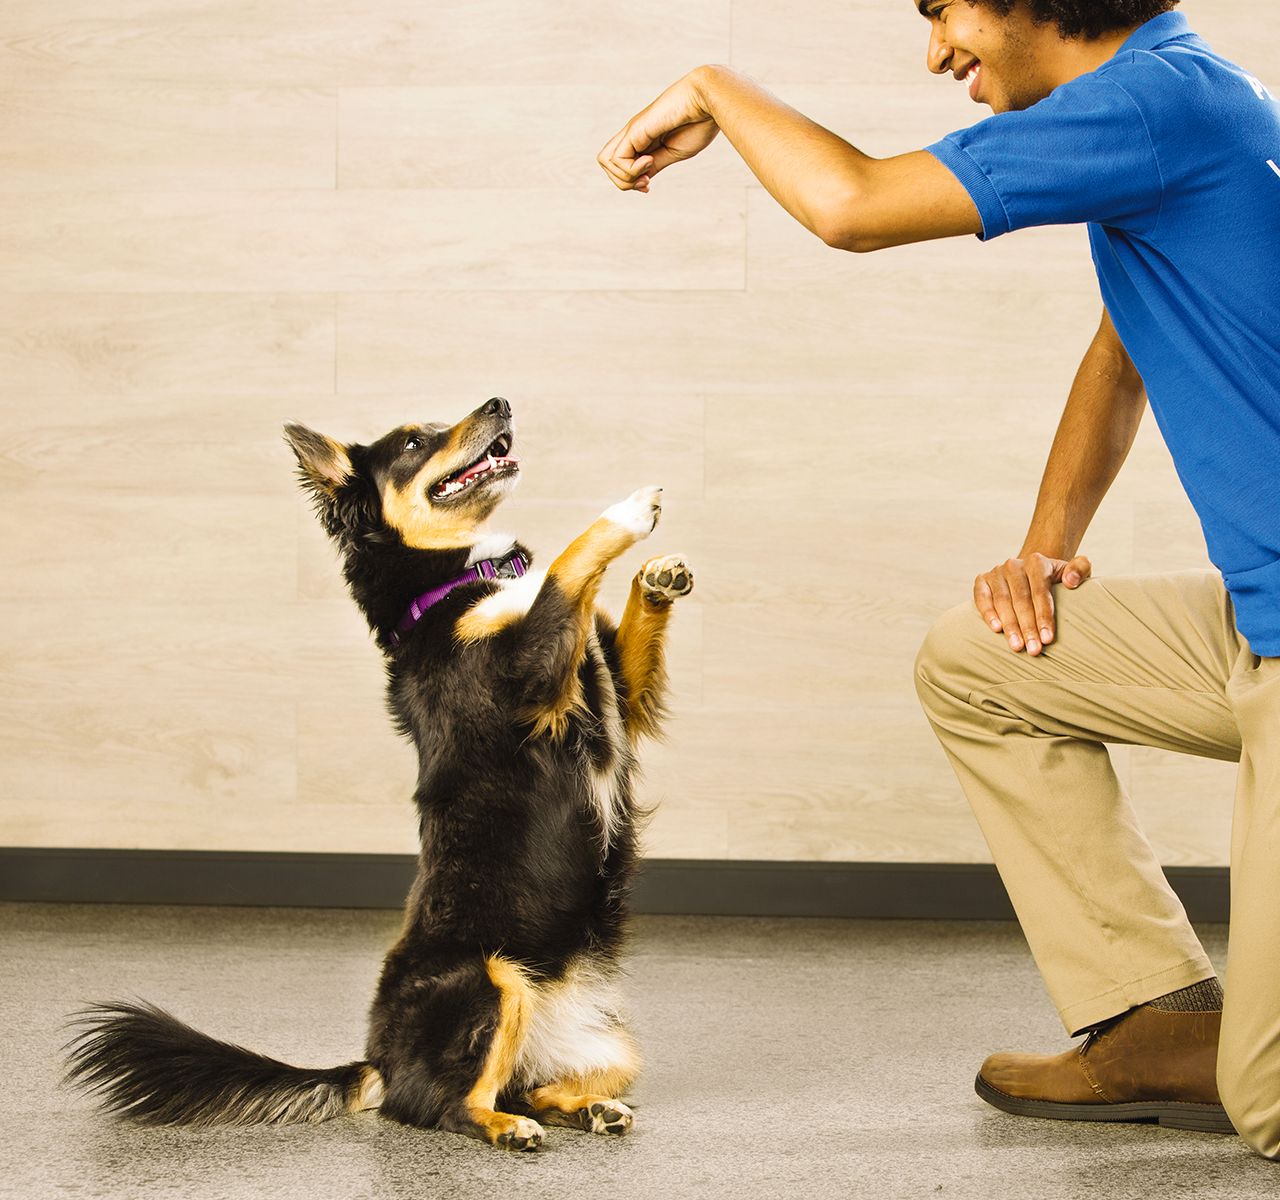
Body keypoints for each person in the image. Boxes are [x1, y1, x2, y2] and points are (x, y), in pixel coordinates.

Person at [597, 0, 1280, 1160]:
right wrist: (1041, 547)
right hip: (1258, 622)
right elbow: (1122, 347)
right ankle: (1158, 1029)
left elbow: (851, 207)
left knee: (1270, 1108)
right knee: (981, 664)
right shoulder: (1190, 89)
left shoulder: (1147, 101)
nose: (934, 51)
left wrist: (712, 85)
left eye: (943, 9)